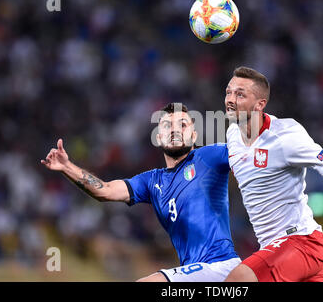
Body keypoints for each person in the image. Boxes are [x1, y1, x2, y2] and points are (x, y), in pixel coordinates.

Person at [41, 103, 240, 282]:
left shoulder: (209, 157)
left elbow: (249, 152)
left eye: (182, 125)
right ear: (159, 137)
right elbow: (105, 191)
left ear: (194, 136)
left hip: (221, 267)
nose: (175, 130)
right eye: (167, 126)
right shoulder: (151, 181)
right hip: (195, 273)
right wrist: (67, 167)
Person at [223, 66, 323, 282]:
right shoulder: (232, 133)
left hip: (300, 242)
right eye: (228, 92)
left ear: (260, 104)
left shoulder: (286, 136)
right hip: (278, 249)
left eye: (240, 94)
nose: (230, 99)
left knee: (237, 281)